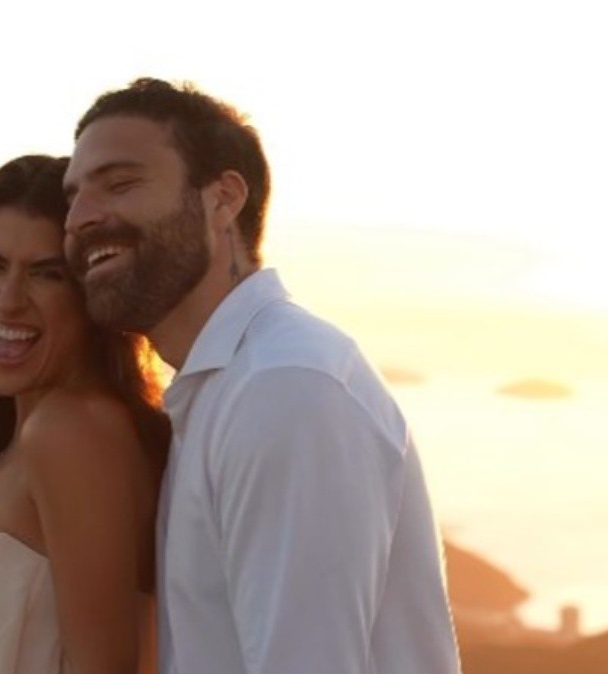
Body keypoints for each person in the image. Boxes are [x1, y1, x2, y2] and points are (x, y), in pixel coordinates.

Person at [62, 78, 461, 674]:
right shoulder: (221, 390)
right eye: (73, 198)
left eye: (120, 184)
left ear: (222, 200)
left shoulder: (284, 387)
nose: (80, 218)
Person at [0, 154, 171, 674]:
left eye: (47, 275)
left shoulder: (70, 432)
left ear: (91, 294)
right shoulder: (24, 437)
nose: (9, 299)